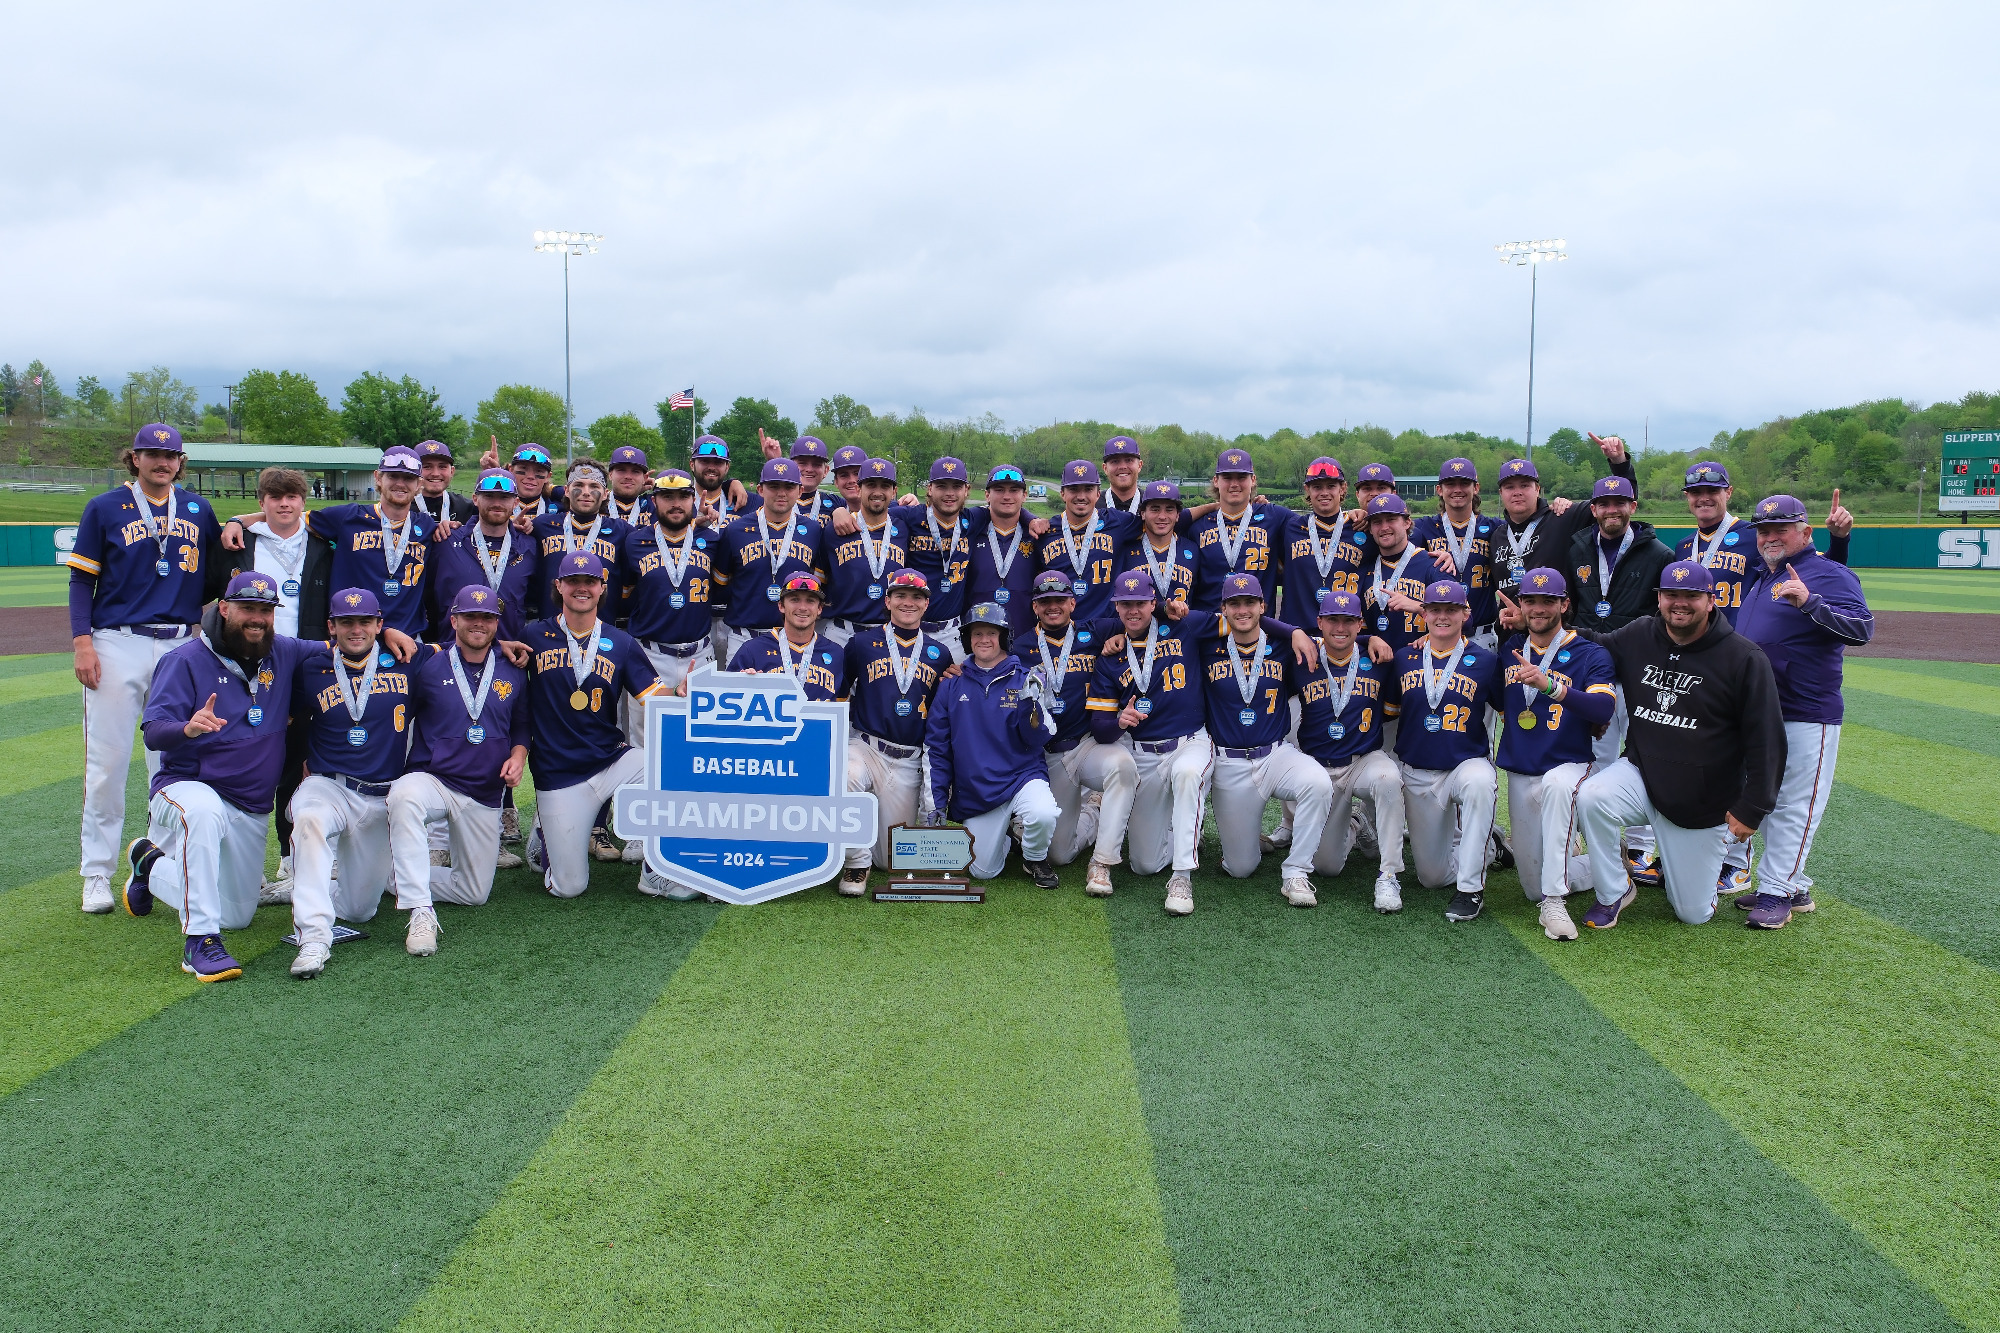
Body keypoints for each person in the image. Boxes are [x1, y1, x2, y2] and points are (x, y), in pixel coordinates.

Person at [119, 573, 324, 981]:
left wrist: (388, 633)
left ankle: (149, 862)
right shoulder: (184, 660)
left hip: (249, 803)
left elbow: (346, 643)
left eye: (266, 611)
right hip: (186, 786)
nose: (258, 619)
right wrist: (188, 728)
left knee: (237, 914)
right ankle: (200, 941)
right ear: (224, 608)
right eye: (248, 608)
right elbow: (154, 730)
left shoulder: (282, 650)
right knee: (205, 812)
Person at [1087, 570, 1317, 914]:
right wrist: (1118, 721)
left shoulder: (1188, 625)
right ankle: (1178, 826)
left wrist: (1294, 630)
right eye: (1125, 605)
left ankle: (1182, 877)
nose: (1133, 610)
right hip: (1143, 751)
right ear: (1116, 608)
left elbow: (1244, 620)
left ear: (1154, 603)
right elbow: (1102, 729)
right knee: (1144, 865)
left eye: (1140, 603)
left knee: (1188, 776)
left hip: (1189, 741)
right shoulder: (1111, 654)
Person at [1572, 559, 1784, 928]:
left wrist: (1753, 807)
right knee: (1592, 796)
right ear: (1659, 599)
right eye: (1671, 594)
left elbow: (1767, 740)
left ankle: (1708, 864)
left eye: (1691, 596)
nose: (1679, 603)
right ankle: (1613, 891)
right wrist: (1543, 624)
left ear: (1711, 600)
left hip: (1700, 802)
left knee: (1692, 914)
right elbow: (1597, 645)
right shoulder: (1640, 634)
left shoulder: (1744, 658)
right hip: (1643, 773)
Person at [68, 424, 226, 914]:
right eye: (152, 453)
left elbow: (218, 576)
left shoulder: (199, 510)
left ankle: (162, 864)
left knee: (175, 762)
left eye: (171, 454)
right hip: (118, 640)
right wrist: (82, 643)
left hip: (180, 643)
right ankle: (97, 873)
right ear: (134, 458)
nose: (162, 461)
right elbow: (80, 581)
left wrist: (239, 521)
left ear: (181, 461)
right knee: (108, 762)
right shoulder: (104, 507)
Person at [1730, 495, 1874, 929]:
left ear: (1805, 533)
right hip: (1759, 711)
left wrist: (1811, 602)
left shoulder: (1830, 574)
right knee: (1765, 802)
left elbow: (1862, 630)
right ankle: (1791, 885)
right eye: (1764, 530)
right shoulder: (1760, 576)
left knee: (1797, 804)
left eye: (1782, 529)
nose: (1771, 537)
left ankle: (1776, 891)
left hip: (1807, 710)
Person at [387, 585, 531, 957]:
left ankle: (393, 877)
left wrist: (518, 757)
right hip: (434, 780)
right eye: (471, 617)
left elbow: (521, 725)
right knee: (404, 795)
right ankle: (420, 910)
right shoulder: (429, 664)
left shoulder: (512, 667)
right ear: (454, 620)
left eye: (487, 618)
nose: (479, 624)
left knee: (474, 893)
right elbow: (399, 715)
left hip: (484, 791)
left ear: (497, 624)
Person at [284, 588, 420, 979]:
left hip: (382, 795)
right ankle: (313, 937)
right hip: (330, 785)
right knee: (309, 818)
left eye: (365, 622)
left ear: (380, 624)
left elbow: (463, 649)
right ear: (332, 627)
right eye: (346, 622)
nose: (355, 630)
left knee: (361, 910)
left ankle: (307, 888)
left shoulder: (405, 658)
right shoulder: (311, 666)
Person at [207, 465, 329, 904]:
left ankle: (289, 853)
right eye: (274, 497)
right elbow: (212, 595)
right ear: (261, 502)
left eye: (292, 496)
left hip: (304, 663)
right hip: (250, 660)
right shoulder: (240, 543)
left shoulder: (321, 542)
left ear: (303, 501)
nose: (284, 503)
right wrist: (239, 522)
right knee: (254, 754)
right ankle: (242, 858)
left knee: (300, 760)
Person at [519, 552, 664, 899]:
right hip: (559, 774)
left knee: (663, 768)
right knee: (569, 888)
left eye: (590, 582)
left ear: (602, 588)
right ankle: (546, 832)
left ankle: (657, 869)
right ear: (559, 586)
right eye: (573, 581)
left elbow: (655, 697)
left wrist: (689, 690)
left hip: (609, 760)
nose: (581, 588)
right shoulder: (532, 635)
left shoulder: (622, 642)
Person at [1493, 569, 1618, 940]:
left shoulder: (1589, 652)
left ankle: (1555, 902)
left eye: (1548, 601)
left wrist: (1551, 686)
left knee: (1558, 786)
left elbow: (1602, 711)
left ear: (1564, 604)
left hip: (1569, 764)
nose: (1538, 608)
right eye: (1530, 600)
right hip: (1521, 769)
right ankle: (1606, 865)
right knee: (1530, 885)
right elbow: (1498, 701)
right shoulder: (1510, 651)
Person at [1565, 472, 1676, 887]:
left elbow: (1668, 614)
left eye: (1621, 503)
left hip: (1641, 667)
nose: (1612, 510)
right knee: (1595, 752)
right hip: (1593, 665)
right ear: (1593, 510)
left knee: (1643, 753)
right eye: (1604, 504)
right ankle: (1596, 839)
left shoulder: (1659, 554)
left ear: (1633, 506)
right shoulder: (1577, 547)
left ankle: (1641, 846)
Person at [1200, 573, 1332, 906]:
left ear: (1263, 606)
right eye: (1234, 603)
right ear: (1223, 609)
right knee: (1241, 868)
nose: (1242, 610)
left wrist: (1369, 640)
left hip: (1275, 754)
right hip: (1229, 762)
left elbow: (1340, 638)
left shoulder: (1283, 647)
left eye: (1249, 602)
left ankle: (1296, 872)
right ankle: (1246, 838)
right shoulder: (1206, 645)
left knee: (1317, 782)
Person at [225, 445, 438, 638]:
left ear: (419, 484)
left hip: (407, 636)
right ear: (378, 478)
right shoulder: (348, 516)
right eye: (393, 476)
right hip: (353, 633)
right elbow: (289, 513)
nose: (400, 483)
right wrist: (238, 520)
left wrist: (450, 525)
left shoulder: (427, 526)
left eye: (408, 478)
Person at [925, 602, 1062, 886]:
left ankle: (1034, 857)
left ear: (1004, 637)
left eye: (991, 633)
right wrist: (936, 802)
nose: (983, 640)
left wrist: (1031, 708)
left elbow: (1041, 737)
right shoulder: (951, 684)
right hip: (978, 789)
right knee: (983, 872)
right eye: (977, 634)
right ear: (967, 639)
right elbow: (937, 747)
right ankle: (1009, 834)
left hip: (1023, 776)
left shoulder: (1026, 677)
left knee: (1044, 813)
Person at [1392, 580, 1506, 922]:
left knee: (1481, 784)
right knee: (1431, 878)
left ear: (1464, 614)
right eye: (1436, 610)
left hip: (1464, 765)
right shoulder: (1404, 657)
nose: (1443, 617)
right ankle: (1489, 847)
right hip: (1418, 771)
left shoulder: (1486, 661)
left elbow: (1506, 713)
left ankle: (1471, 889)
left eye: (1451, 610)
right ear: (1423, 613)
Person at [837, 569, 953, 893]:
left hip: (908, 758)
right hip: (866, 746)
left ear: (926, 604)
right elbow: (838, 693)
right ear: (887, 600)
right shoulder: (861, 643)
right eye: (900, 595)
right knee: (845, 775)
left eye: (916, 597)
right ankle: (856, 865)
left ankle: (867, 823)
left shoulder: (939, 653)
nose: (908, 602)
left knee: (891, 861)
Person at [1023, 570, 1135, 894]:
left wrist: (1122, 636)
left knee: (1123, 766)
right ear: (1034, 606)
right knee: (1059, 854)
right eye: (1045, 601)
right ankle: (1096, 810)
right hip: (1049, 754)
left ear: (1073, 602)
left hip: (1088, 744)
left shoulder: (1095, 630)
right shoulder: (1022, 644)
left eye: (1060, 600)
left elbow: (1142, 618)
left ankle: (1103, 861)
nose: (1053, 606)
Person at [1295, 591, 1407, 910]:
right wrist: (1294, 632)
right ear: (1319, 623)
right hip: (1318, 768)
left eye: (1348, 621)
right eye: (1333, 620)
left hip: (1363, 760)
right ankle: (1358, 825)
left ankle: (1389, 875)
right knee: (1328, 867)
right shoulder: (1302, 656)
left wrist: (1374, 638)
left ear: (1360, 624)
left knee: (1387, 777)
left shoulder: (1379, 659)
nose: (1340, 628)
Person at [1489, 433, 1635, 606]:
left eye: (1525, 485)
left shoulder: (1563, 517)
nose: (1517, 492)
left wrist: (1619, 462)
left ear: (1537, 489)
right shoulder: (1497, 535)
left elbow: (1620, 500)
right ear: (1501, 493)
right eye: (1509, 487)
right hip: (1510, 631)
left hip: (1556, 627)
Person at [710, 458, 830, 665]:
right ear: (760, 490)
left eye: (789, 487)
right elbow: (721, 584)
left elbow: (819, 582)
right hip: (744, 636)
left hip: (794, 639)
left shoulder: (813, 530)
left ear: (800, 491)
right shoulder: (735, 530)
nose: (781, 493)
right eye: (773, 486)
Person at [428, 470, 539, 643]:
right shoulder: (446, 541)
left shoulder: (529, 546)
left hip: (507, 656)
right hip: (452, 653)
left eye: (504, 497)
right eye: (488, 496)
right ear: (475, 499)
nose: (496, 503)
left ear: (515, 502)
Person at [1032, 460, 1141, 626]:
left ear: (1098, 494)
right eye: (1073, 489)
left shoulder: (1116, 521)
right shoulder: (1045, 531)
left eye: (1088, 489)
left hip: (1107, 629)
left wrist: (1196, 510)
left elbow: (1165, 521)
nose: (1081, 496)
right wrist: (1029, 519)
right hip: (1060, 630)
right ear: (1062, 493)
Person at [889, 457, 977, 661]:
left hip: (953, 632)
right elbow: (872, 511)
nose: (949, 493)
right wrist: (842, 512)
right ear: (929, 489)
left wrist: (1031, 519)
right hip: (911, 628)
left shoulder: (974, 519)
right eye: (941, 486)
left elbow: (1007, 510)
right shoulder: (909, 515)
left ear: (966, 490)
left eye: (956, 486)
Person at [1186, 448, 1289, 611]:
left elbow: (1316, 524)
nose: (1234, 484)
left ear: (1253, 480)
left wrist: (1345, 517)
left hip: (1258, 628)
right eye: (1227, 477)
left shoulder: (1274, 517)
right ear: (1215, 481)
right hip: (1208, 628)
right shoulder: (1197, 525)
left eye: (1241, 477)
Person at [533, 460, 632, 627]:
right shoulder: (541, 526)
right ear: (566, 490)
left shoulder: (622, 531)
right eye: (579, 485)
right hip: (550, 631)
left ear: (606, 493)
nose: (586, 492)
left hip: (602, 631)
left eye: (594, 487)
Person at [821, 458, 907, 646]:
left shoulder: (904, 528)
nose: (877, 492)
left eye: (885, 486)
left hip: (888, 633)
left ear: (894, 491)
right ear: (859, 489)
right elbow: (820, 576)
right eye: (870, 485)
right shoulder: (836, 528)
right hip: (842, 632)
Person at [1413, 458, 1498, 646]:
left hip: (1482, 634)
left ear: (1476, 488)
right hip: (1437, 632)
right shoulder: (1424, 527)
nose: (1457, 489)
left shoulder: (1494, 528)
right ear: (1439, 490)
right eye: (1450, 484)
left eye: (1464, 483)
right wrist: (1360, 514)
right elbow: (1389, 536)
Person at [727, 571, 846, 699]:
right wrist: (742, 686)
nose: (803, 607)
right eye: (795, 599)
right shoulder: (752, 650)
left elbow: (841, 702)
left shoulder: (836, 653)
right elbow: (727, 700)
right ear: (781, 606)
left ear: (820, 609)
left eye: (810, 601)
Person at [1276, 457, 1363, 631]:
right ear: (1307, 490)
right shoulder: (1290, 527)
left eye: (1331, 486)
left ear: (1343, 488)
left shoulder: (1360, 526)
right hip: (1297, 634)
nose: (1324, 492)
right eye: (1317, 487)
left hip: (1343, 634)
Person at [963, 463, 1039, 636]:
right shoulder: (970, 532)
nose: (1007, 496)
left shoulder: (1037, 536)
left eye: (1014, 490)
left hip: (1025, 637)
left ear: (1024, 495)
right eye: (999, 490)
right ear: (987, 495)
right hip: (978, 639)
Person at [1115, 481, 1198, 611]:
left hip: (1182, 628)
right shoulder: (1125, 550)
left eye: (1169, 509)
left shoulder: (1193, 549)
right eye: (1155, 509)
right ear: (1143, 513)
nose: (1162, 516)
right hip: (1140, 629)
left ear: (1178, 515)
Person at [689, 434, 751, 528]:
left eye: (718, 462)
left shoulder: (743, 500)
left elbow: (775, 499)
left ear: (727, 467)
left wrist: (774, 459)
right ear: (692, 465)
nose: (711, 467)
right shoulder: (679, 504)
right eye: (705, 461)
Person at [412, 440, 475, 530]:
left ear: (452, 471)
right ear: (414, 470)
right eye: (427, 466)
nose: (435, 473)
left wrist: (496, 472)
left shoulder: (465, 507)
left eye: (442, 467)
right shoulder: (403, 507)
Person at [604, 445, 654, 524]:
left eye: (635, 471)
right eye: (621, 470)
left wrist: (659, 487)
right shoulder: (597, 504)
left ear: (645, 478)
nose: (628, 477)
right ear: (610, 475)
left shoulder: (654, 504)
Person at [1098, 435, 1146, 514]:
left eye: (1129, 460)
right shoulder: (1092, 506)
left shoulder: (1152, 504)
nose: (1122, 467)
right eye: (1115, 461)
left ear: (1139, 465)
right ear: (1105, 468)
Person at [830, 444, 868, 511]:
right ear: (836, 481)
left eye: (857, 473)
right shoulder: (829, 517)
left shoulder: (890, 517)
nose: (852, 480)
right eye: (844, 475)